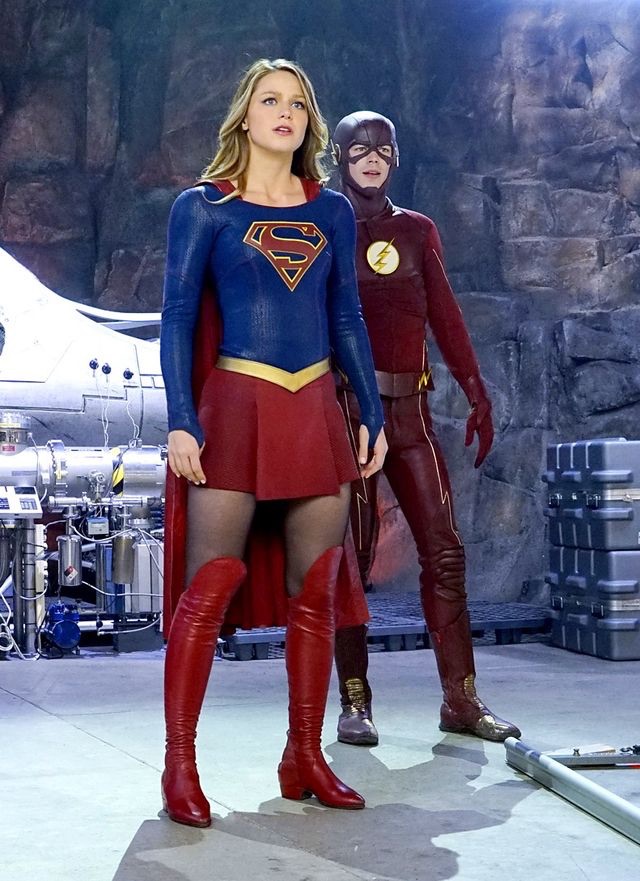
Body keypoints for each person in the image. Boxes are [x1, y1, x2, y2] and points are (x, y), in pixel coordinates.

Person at [160, 63, 387, 827]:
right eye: (270, 100)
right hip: (233, 408)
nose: (285, 112)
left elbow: (348, 315)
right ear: (246, 116)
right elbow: (177, 317)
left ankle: (305, 755)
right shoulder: (204, 207)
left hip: (315, 407)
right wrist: (181, 418)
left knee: (316, 591)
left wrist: (372, 412)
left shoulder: (331, 211)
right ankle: (180, 765)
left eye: (297, 103)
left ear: (308, 122)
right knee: (207, 589)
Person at [330, 111, 521, 746]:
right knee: (352, 563)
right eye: (360, 149)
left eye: (383, 149)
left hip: (410, 413)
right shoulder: (324, 225)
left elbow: (445, 313)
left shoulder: (416, 230)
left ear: (396, 158)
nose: (372, 158)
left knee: (445, 552)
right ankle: (355, 702)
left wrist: (475, 390)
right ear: (339, 157)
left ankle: (461, 700)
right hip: (349, 415)